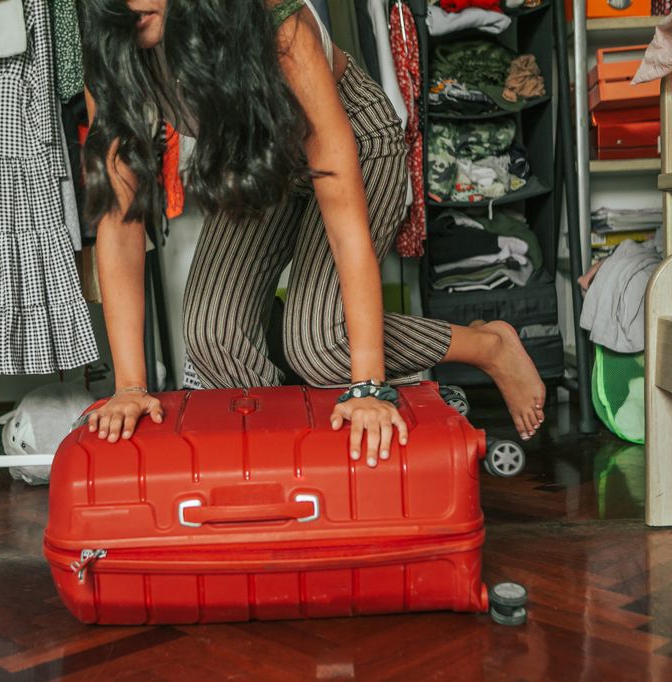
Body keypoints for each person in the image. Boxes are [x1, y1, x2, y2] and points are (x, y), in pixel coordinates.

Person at [79, 0, 545, 467]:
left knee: (319, 345)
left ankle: (490, 346)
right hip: (259, 158)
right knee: (213, 337)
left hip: (354, 140)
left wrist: (367, 388)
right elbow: (120, 224)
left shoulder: (277, 26)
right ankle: (289, 463)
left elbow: (346, 228)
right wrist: (130, 389)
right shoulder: (113, 51)